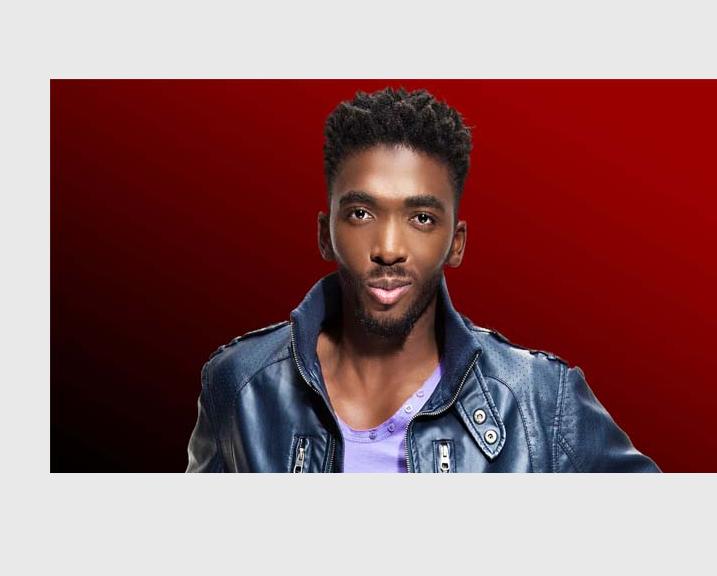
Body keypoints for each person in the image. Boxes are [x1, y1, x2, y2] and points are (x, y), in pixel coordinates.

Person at [186, 87, 660, 473]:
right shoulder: (240, 385)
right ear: (325, 234)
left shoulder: (540, 401)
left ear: (456, 244)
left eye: (422, 218)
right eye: (361, 212)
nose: (389, 247)